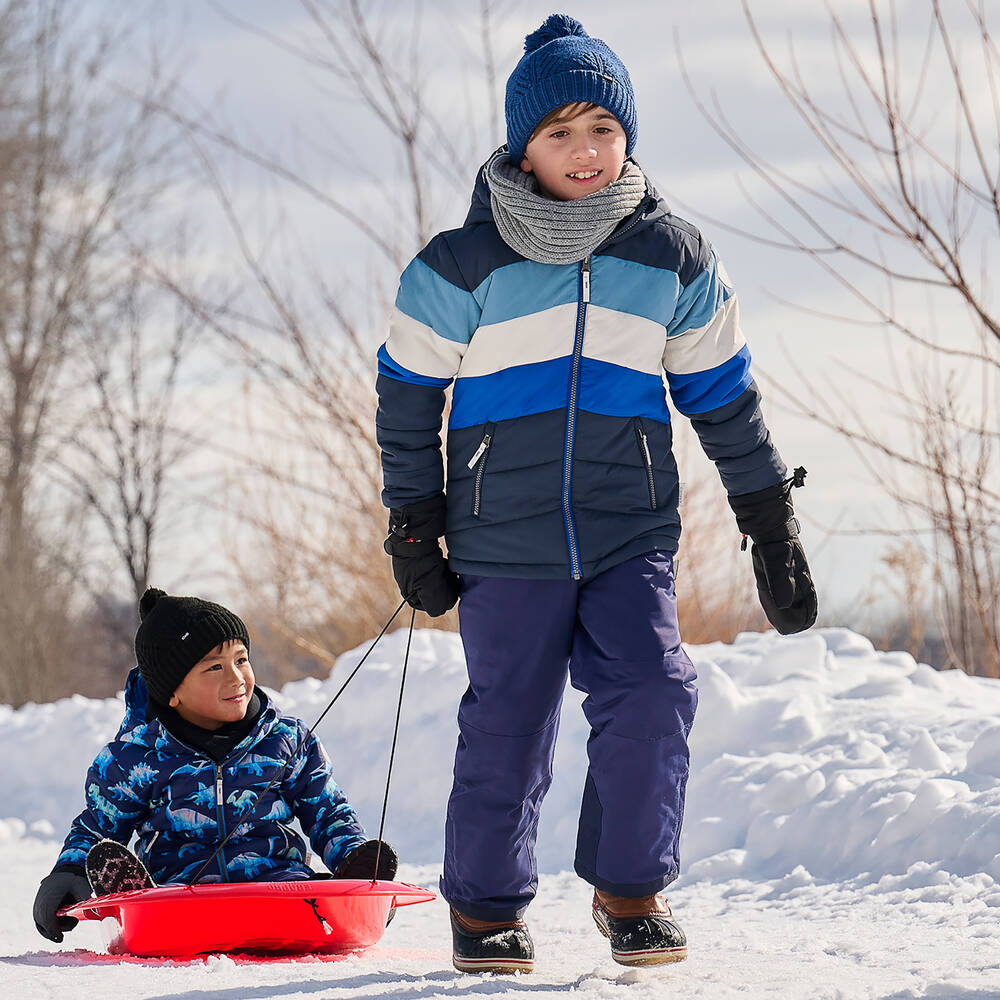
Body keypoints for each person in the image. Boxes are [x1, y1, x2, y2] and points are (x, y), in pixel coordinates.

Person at [376, 12, 817, 973]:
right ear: (522, 144)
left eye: (604, 130)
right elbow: (408, 398)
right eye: (561, 132)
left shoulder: (673, 256)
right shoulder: (461, 264)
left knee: (655, 693)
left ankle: (631, 892)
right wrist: (413, 522)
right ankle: (486, 910)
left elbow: (723, 395)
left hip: (629, 529)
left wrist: (768, 517)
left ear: (629, 136)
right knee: (509, 717)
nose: (586, 151)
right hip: (502, 536)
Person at [33, 588, 397, 943]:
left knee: (315, 891)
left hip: (278, 888)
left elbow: (327, 811)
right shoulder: (135, 757)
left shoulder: (285, 740)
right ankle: (136, 903)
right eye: (214, 667)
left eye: (241, 660)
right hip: (177, 896)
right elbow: (99, 826)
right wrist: (70, 869)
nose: (236, 677)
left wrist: (354, 859)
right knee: (155, 896)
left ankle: (352, 897)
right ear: (172, 692)